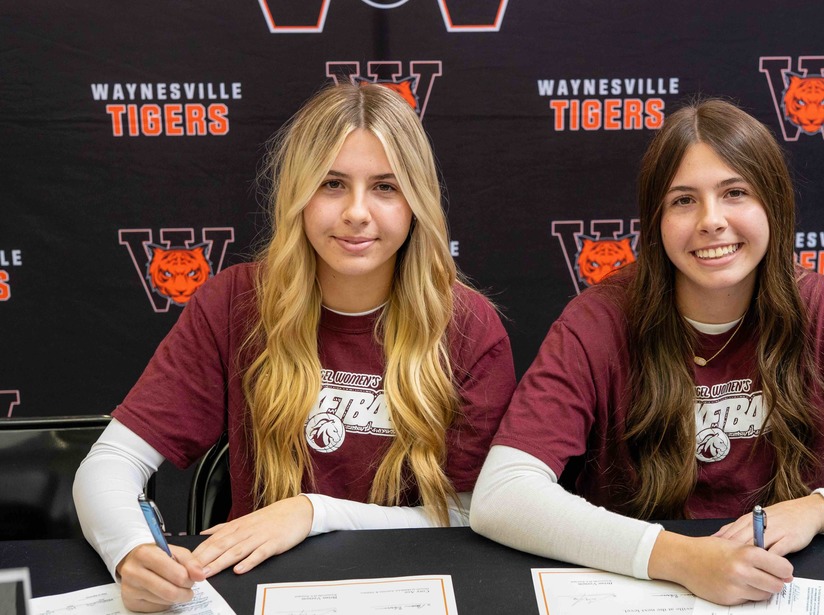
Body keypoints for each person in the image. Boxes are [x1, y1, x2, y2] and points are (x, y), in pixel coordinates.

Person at [470, 98, 824, 606]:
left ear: (773, 203)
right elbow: (502, 496)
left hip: (778, 585)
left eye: (735, 193)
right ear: (655, 222)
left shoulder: (823, 308)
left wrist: (819, 509)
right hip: (636, 586)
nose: (711, 220)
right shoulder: (600, 319)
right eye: (683, 200)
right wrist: (680, 558)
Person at [74, 83, 516, 612]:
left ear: (416, 201)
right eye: (332, 184)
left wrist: (315, 512)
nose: (357, 212)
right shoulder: (235, 302)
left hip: (412, 592)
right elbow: (111, 462)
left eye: (385, 187)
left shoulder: (467, 324)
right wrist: (130, 551)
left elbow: (474, 512)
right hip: (266, 595)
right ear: (297, 195)